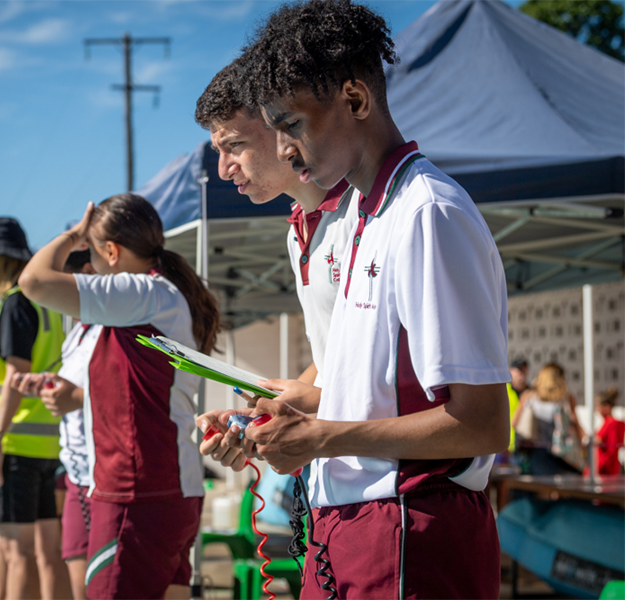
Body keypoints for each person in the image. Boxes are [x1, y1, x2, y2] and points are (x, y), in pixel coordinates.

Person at [203, 2, 511, 597]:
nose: (286, 148)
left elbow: (483, 423)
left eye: (291, 124)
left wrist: (321, 437)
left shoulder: (427, 212)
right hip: (350, 523)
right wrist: (281, 420)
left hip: (408, 526)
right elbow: (369, 390)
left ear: (355, 99)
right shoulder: (371, 215)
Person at [19, 194, 220, 599]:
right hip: (172, 487)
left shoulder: (141, 292)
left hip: (135, 492)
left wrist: (71, 235)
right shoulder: (163, 294)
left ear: (111, 251)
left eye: (92, 250)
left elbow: (33, 282)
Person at [193, 57, 358, 470]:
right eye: (218, 150)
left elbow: (393, 376)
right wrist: (263, 417)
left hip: (396, 489)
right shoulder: (298, 228)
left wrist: (299, 409)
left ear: (280, 125)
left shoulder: (367, 213)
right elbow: (336, 356)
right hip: (342, 483)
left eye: (234, 145)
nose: (224, 168)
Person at [0, 217, 69, 600]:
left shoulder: (15, 304)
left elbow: (14, 377)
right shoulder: (48, 305)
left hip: (14, 447)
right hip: (45, 447)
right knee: (46, 550)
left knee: (16, 550)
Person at [13, 248, 100, 600]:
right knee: (78, 577)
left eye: (59, 284)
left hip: (106, 479)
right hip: (77, 474)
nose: (52, 295)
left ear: (89, 273)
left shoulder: (116, 324)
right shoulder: (77, 331)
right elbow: (79, 386)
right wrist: (48, 384)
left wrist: (76, 398)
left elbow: (138, 394)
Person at [513, 363, 585, 476]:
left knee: (541, 488)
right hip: (562, 452)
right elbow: (574, 422)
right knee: (564, 489)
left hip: (536, 451)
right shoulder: (566, 397)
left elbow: (515, 423)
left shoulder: (529, 396)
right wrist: (581, 446)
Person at [592, 387, 624, 475]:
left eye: (598, 406)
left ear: (606, 406)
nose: (596, 409)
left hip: (605, 469)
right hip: (606, 468)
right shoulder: (609, 423)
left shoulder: (612, 424)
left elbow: (612, 449)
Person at [504, 357, 529, 458]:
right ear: (510, 371)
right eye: (518, 370)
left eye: (524, 370)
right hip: (507, 446)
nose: (521, 374)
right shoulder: (504, 391)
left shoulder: (530, 392)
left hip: (527, 446)